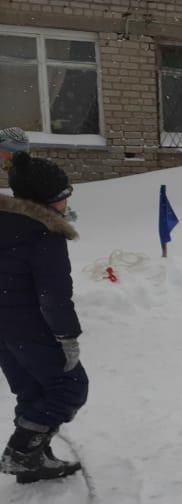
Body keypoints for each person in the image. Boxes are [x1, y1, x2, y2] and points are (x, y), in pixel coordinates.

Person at [0, 152, 88, 484]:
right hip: (31, 328)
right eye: (62, 197)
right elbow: (53, 296)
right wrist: (67, 337)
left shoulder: (6, 224)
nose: (66, 203)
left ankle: (36, 458)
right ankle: (21, 452)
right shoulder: (44, 233)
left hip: (5, 329)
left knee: (34, 390)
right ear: (46, 201)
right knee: (70, 387)